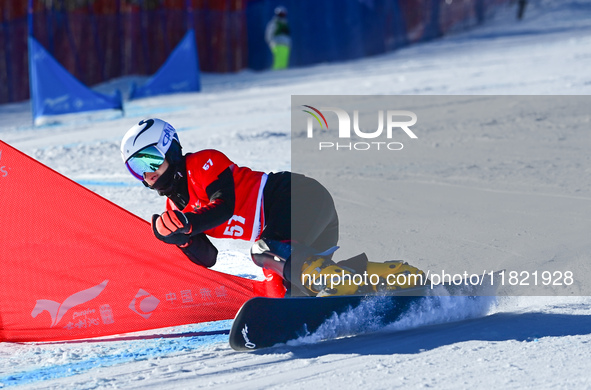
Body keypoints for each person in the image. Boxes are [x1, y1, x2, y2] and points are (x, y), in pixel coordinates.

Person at [121, 118, 423, 297]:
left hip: (300, 198)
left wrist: (186, 224)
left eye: (149, 159)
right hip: (292, 239)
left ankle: (344, 286)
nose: (146, 172)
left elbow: (223, 207)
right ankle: (392, 275)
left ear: (169, 148)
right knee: (281, 292)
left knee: (264, 251)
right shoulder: (174, 207)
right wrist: (181, 239)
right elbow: (209, 258)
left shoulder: (202, 163)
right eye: (136, 167)